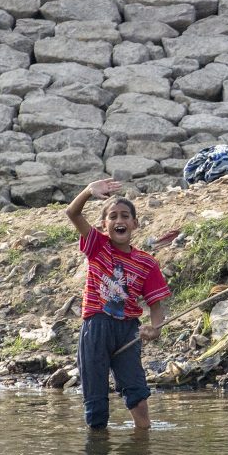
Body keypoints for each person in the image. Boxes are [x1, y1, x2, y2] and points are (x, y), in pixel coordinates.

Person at [65, 179, 171, 430]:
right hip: (96, 328)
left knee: (136, 392)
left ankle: (141, 440)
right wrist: (88, 191)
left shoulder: (146, 262)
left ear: (134, 224)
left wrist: (156, 329)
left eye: (125, 216)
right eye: (112, 216)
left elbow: (156, 305)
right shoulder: (97, 246)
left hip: (127, 331)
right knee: (96, 401)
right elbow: (72, 213)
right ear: (104, 225)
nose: (119, 220)